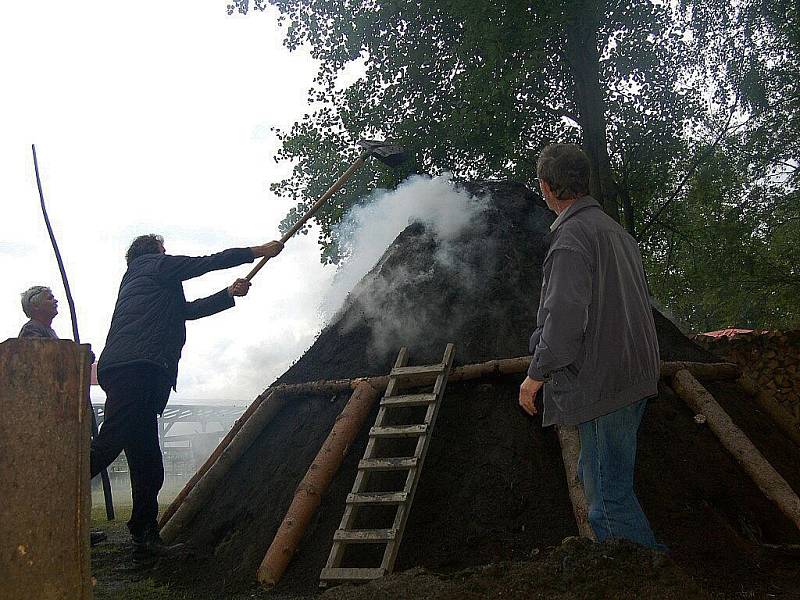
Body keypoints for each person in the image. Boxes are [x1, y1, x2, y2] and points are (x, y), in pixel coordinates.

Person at [90, 234, 283, 560]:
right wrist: (258, 251)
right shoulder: (152, 265)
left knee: (147, 462)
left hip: (138, 371)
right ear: (152, 251)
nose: (167, 254)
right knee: (109, 444)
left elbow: (186, 312)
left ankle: (144, 536)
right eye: (163, 250)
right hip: (136, 369)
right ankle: (44, 497)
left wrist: (228, 294)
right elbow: (205, 263)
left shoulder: (148, 282)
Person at [518, 144, 664, 550]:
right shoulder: (616, 233)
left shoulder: (570, 239)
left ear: (546, 187)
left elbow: (564, 323)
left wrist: (535, 375)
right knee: (601, 475)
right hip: (633, 375)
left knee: (607, 504)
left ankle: (653, 582)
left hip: (603, 384)